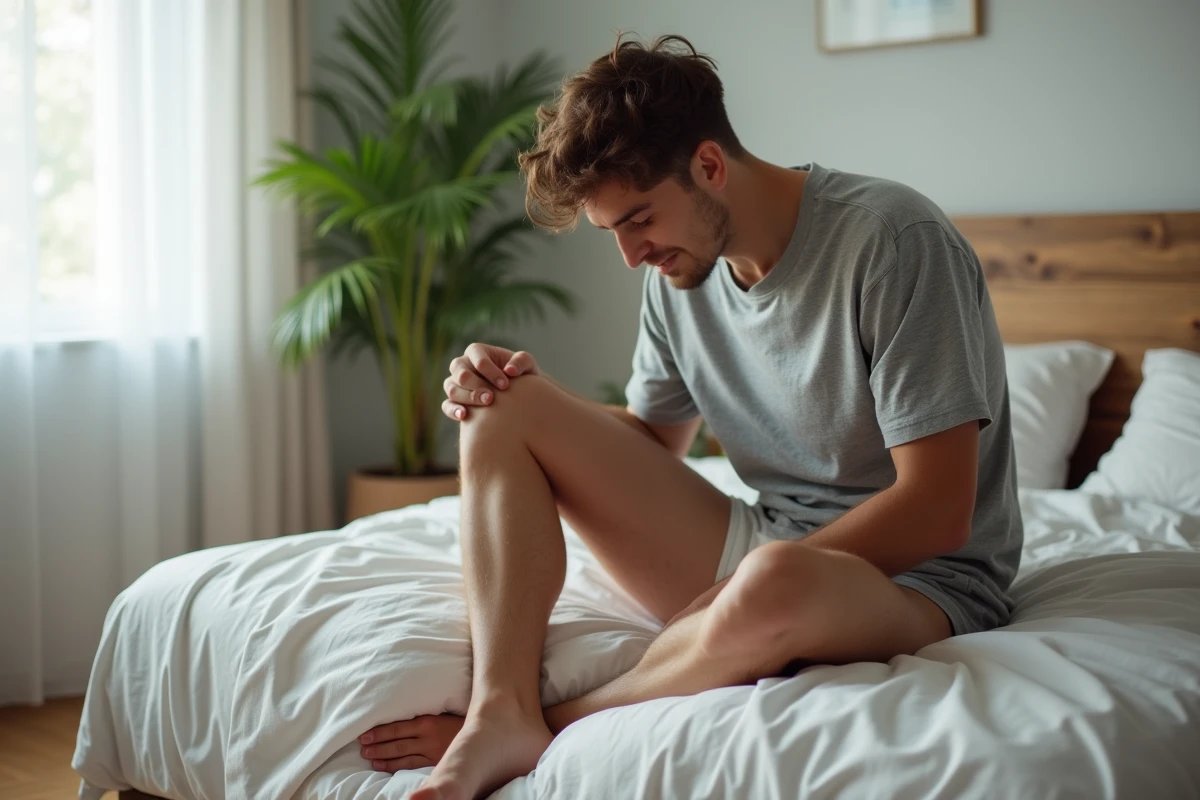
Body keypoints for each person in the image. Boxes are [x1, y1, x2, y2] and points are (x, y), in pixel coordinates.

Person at [358, 34, 1023, 800]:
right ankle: (498, 712)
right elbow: (652, 442)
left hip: (920, 583)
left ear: (710, 165)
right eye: (613, 231)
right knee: (499, 402)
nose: (632, 255)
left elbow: (939, 512)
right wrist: (536, 399)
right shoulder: (679, 272)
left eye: (639, 220)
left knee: (775, 581)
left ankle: (555, 720)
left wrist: (729, 595)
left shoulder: (894, 241)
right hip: (765, 546)